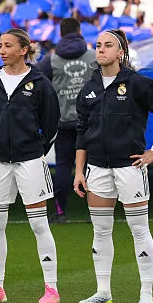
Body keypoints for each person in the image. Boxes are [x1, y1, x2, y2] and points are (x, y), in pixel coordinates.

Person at [74, 29, 153, 303]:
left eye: (108, 45)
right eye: (97, 45)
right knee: (101, 230)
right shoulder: (89, 88)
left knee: (139, 229)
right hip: (97, 169)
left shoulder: (138, 84)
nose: (101, 50)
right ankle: (103, 291)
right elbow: (82, 131)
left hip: (130, 167)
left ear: (120, 52)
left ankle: (146, 292)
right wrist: (79, 171)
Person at [0, 29, 62, 303]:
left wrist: (33, 150)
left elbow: (50, 125)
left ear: (24, 49)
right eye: (0, 45)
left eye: (8, 45)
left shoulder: (40, 83)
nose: (2, 50)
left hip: (30, 161)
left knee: (39, 224)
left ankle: (51, 288)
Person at [37, 18, 96, 223]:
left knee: (63, 166)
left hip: (63, 123)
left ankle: (60, 212)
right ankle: (95, 212)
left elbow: (38, 86)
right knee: (93, 166)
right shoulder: (94, 56)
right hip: (90, 122)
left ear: (60, 34)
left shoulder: (50, 61)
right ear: (79, 31)